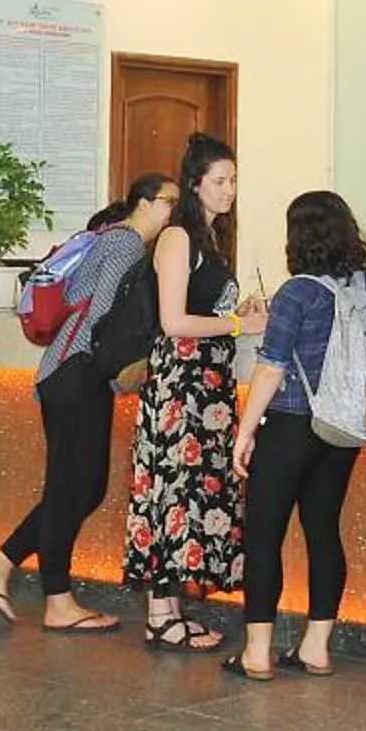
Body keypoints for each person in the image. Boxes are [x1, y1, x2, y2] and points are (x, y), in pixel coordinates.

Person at [0, 173, 176, 634]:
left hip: (71, 372)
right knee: (74, 487)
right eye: (167, 203)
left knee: (80, 487)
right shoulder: (127, 243)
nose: (171, 213)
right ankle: (55, 598)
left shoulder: (112, 239)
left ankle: (1, 565)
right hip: (78, 370)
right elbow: (100, 309)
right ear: (143, 203)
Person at [229, 192, 366, 681]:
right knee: (323, 531)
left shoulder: (297, 293)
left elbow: (271, 366)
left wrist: (245, 430)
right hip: (343, 426)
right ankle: (317, 647)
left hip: (289, 423)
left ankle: (258, 653)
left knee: (265, 533)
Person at [124, 133, 245, 650]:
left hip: (209, 385)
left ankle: (170, 608)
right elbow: (174, 321)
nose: (229, 190)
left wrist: (237, 321)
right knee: (172, 490)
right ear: (195, 185)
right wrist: (237, 325)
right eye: (219, 181)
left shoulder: (213, 241)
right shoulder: (178, 239)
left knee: (195, 493)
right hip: (181, 384)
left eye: (234, 180)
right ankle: (158, 611)